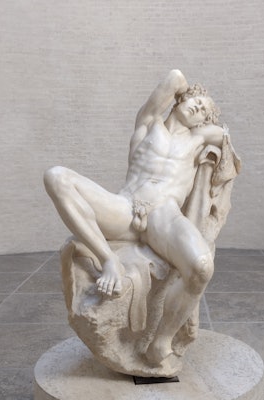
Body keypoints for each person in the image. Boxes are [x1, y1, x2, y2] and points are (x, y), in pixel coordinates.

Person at [44, 69, 226, 364]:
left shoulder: (198, 139)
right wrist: (186, 91)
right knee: (56, 177)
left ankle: (162, 341)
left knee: (202, 267)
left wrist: (207, 115)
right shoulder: (148, 122)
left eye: (204, 111)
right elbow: (175, 78)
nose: (198, 108)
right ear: (180, 99)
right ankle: (109, 260)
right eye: (196, 101)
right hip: (124, 207)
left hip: (163, 215)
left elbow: (220, 134)